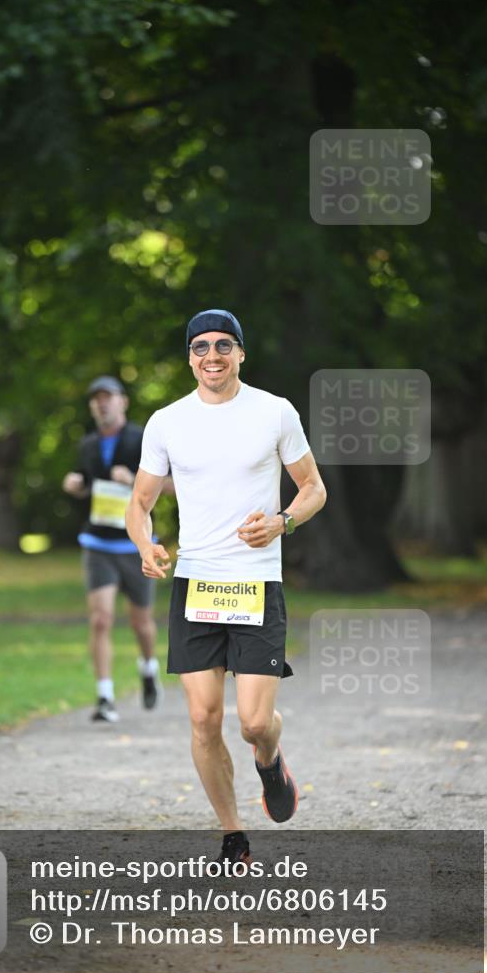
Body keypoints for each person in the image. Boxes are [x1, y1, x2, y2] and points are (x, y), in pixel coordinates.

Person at [126, 309, 326, 868]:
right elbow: (140, 504)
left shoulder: (274, 413)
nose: (210, 356)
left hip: (256, 583)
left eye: (222, 345)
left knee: (254, 722)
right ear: (189, 357)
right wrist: (147, 545)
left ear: (241, 353)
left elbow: (313, 488)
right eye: (199, 347)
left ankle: (270, 760)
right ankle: (232, 833)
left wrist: (284, 521)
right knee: (202, 718)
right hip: (196, 585)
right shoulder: (167, 422)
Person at [63, 376, 172, 723]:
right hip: (98, 543)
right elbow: (85, 483)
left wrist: (136, 482)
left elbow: (174, 486)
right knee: (100, 619)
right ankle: (105, 696)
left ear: (123, 401)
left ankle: (149, 667)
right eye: (96, 399)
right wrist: (75, 485)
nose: (102, 404)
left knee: (141, 623)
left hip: (136, 543)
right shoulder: (88, 444)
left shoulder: (144, 440)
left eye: (108, 397)